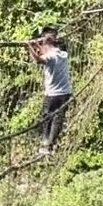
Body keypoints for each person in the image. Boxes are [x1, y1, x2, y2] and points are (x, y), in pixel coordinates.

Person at [27, 27, 73, 156]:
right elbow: (45, 52)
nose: (40, 48)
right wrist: (36, 45)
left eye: (42, 44)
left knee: (47, 118)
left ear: (47, 44)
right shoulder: (63, 54)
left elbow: (38, 59)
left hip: (52, 94)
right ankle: (50, 145)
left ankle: (45, 143)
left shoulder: (50, 56)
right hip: (65, 93)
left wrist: (28, 47)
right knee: (57, 119)